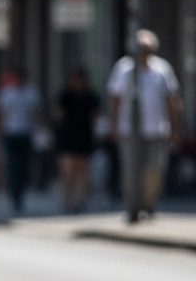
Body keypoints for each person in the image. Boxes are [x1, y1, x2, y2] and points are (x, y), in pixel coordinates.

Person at [106, 29, 183, 223]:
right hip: (128, 130)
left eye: (147, 48)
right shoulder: (124, 69)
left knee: (155, 169)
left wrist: (175, 128)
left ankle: (148, 205)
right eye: (140, 48)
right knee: (130, 170)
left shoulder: (162, 69)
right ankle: (132, 208)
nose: (143, 52)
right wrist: (113, 125)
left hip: (156, 128)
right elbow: (115, 99)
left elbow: (172, 100)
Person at [0, 65, 43, 214]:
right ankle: (13, 193)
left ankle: (20, 194)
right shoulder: (6, 92)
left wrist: (39, 130)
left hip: (26, 134)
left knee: (23, 166)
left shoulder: (31, 92)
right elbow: (1, 113)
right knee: (12, 165)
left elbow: (36, 113)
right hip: (10, 133)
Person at [54, 65, 100, 213]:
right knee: (68, 171)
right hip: (67, 137)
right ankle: (68, 199)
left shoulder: (91, 97)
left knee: (83, 170)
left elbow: (96, 118)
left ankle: (80, 199)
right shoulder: (65, 96)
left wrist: (97, 134)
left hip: (84, 137)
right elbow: (59, 116)